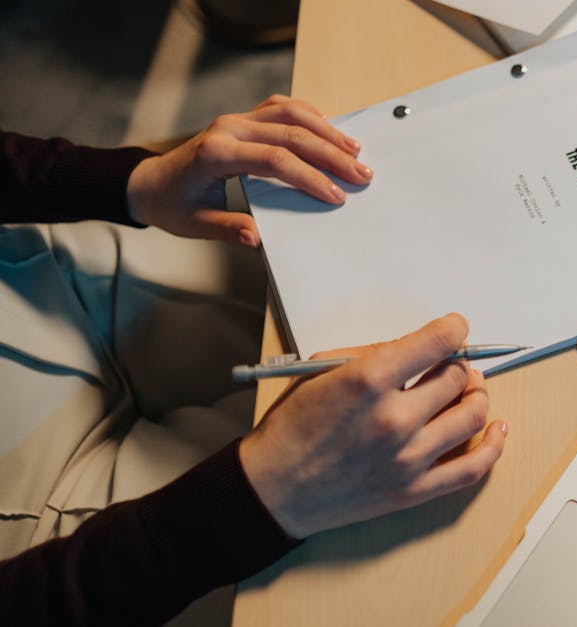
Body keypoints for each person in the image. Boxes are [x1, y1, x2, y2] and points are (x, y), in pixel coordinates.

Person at [0, 95, 508, 625]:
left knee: (328, 278)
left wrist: (132, 181)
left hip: (26, 269)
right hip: (50, 549)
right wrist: (260, 497)